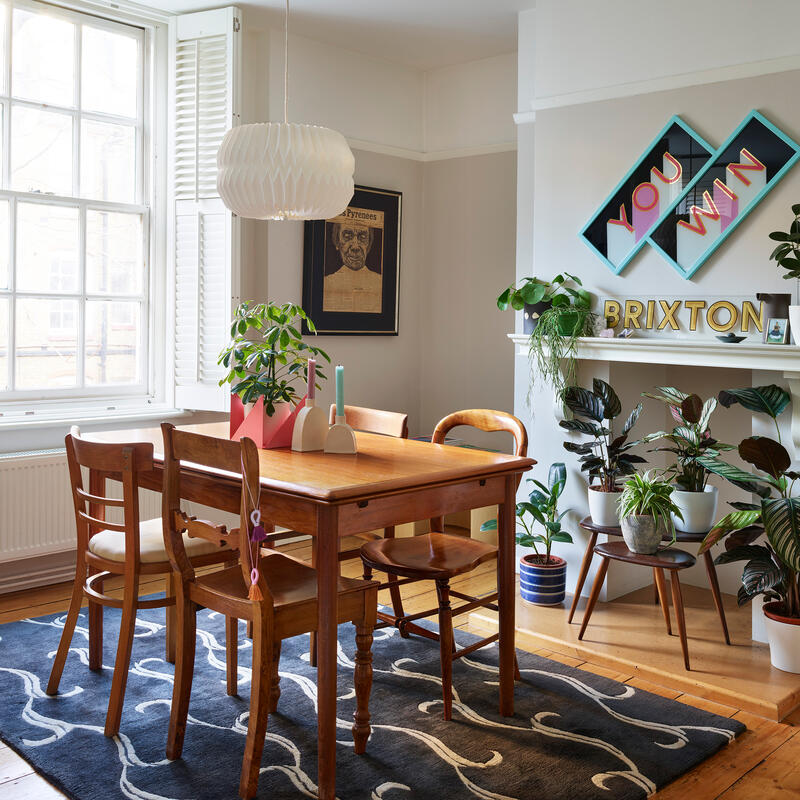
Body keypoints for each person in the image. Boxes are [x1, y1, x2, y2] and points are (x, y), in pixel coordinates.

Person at [323, 220, 382, 314]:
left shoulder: (380, 283)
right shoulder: (326, 283)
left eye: (362, 237)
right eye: (347, 236)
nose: (355, 247)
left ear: (369, 244)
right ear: (337, 242)